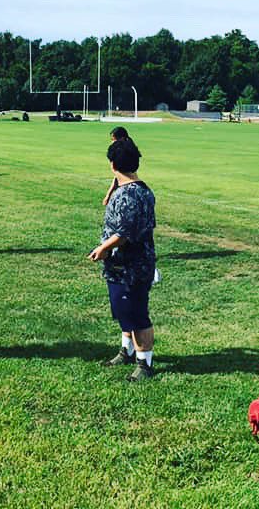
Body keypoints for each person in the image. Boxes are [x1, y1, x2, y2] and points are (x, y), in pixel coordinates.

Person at [88, 139, 157, 382]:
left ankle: (144, 363)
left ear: (113, 164)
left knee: (136, 313)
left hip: (132, 266)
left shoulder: (130, 194)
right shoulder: (141, 189)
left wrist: (102, 249)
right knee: (124, 311)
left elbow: (125, 233)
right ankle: (126, 351)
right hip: (121, 266)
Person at [102, 126, 136, 206]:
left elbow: (119, 175)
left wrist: (109, 196)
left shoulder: (124, 153)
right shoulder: (129, 148)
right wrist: (108, 195)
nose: (112, 142)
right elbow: (118, 176)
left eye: (114, 139)